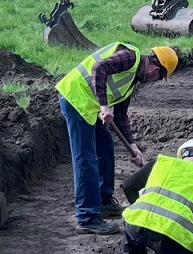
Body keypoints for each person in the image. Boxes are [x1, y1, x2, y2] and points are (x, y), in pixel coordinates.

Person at [54, 42, 178, 235]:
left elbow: (120, 115)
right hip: (76, 99)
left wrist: (133, 146)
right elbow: (99, 68)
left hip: (89, 106)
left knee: (106, 145)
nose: (156, 80)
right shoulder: (129, 57)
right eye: (160, 77)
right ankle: (86, 217)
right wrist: (104, 106)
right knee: (85, 160)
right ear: (156, 69)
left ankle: (104, 202)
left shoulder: (131, 82)